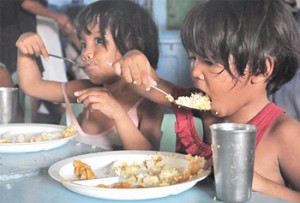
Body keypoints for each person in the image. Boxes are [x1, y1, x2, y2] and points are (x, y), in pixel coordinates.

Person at [112, 0, 300, 201]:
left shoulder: (284, 134)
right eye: (192, 59)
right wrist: (133, 58)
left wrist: (259, 184)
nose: (195, 71)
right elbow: (151, 85)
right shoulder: (203, 108)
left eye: (209, 62)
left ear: (261, 69)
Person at [16, 0, 164, 151]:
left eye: (99, 41)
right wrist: (25, 49)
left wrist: (118, 114)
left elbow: (150, 157)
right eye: (84, 44)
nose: (85, 53)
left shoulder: (150, 101)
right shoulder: (84, 88)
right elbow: (32, 86)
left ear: (133, 46)